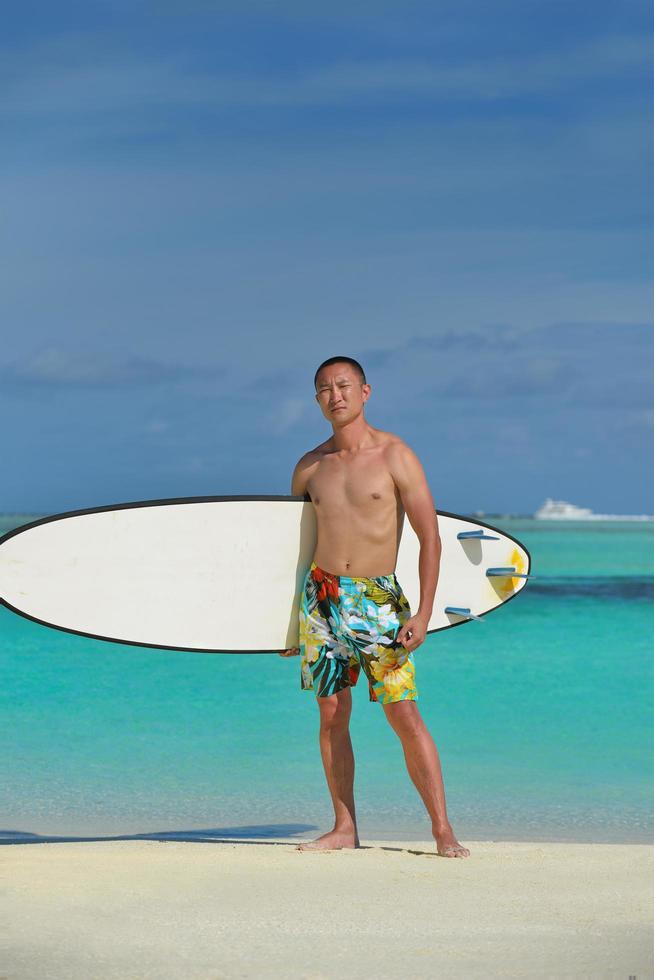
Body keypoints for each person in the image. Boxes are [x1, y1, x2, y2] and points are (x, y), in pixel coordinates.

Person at [279, 355, 470, 858]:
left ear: (366, 392)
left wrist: (424, 613)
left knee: (404, 716)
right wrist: (283, 625)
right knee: (330, 716)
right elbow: (288, 549)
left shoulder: (395, 456)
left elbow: (430, 538)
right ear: (316, 399)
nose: (334, 395)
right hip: (321, 601)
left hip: (378, 601)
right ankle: (344, 827)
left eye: (343, 385)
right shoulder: (309, 467)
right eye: (324, 389)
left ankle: (442, 829)